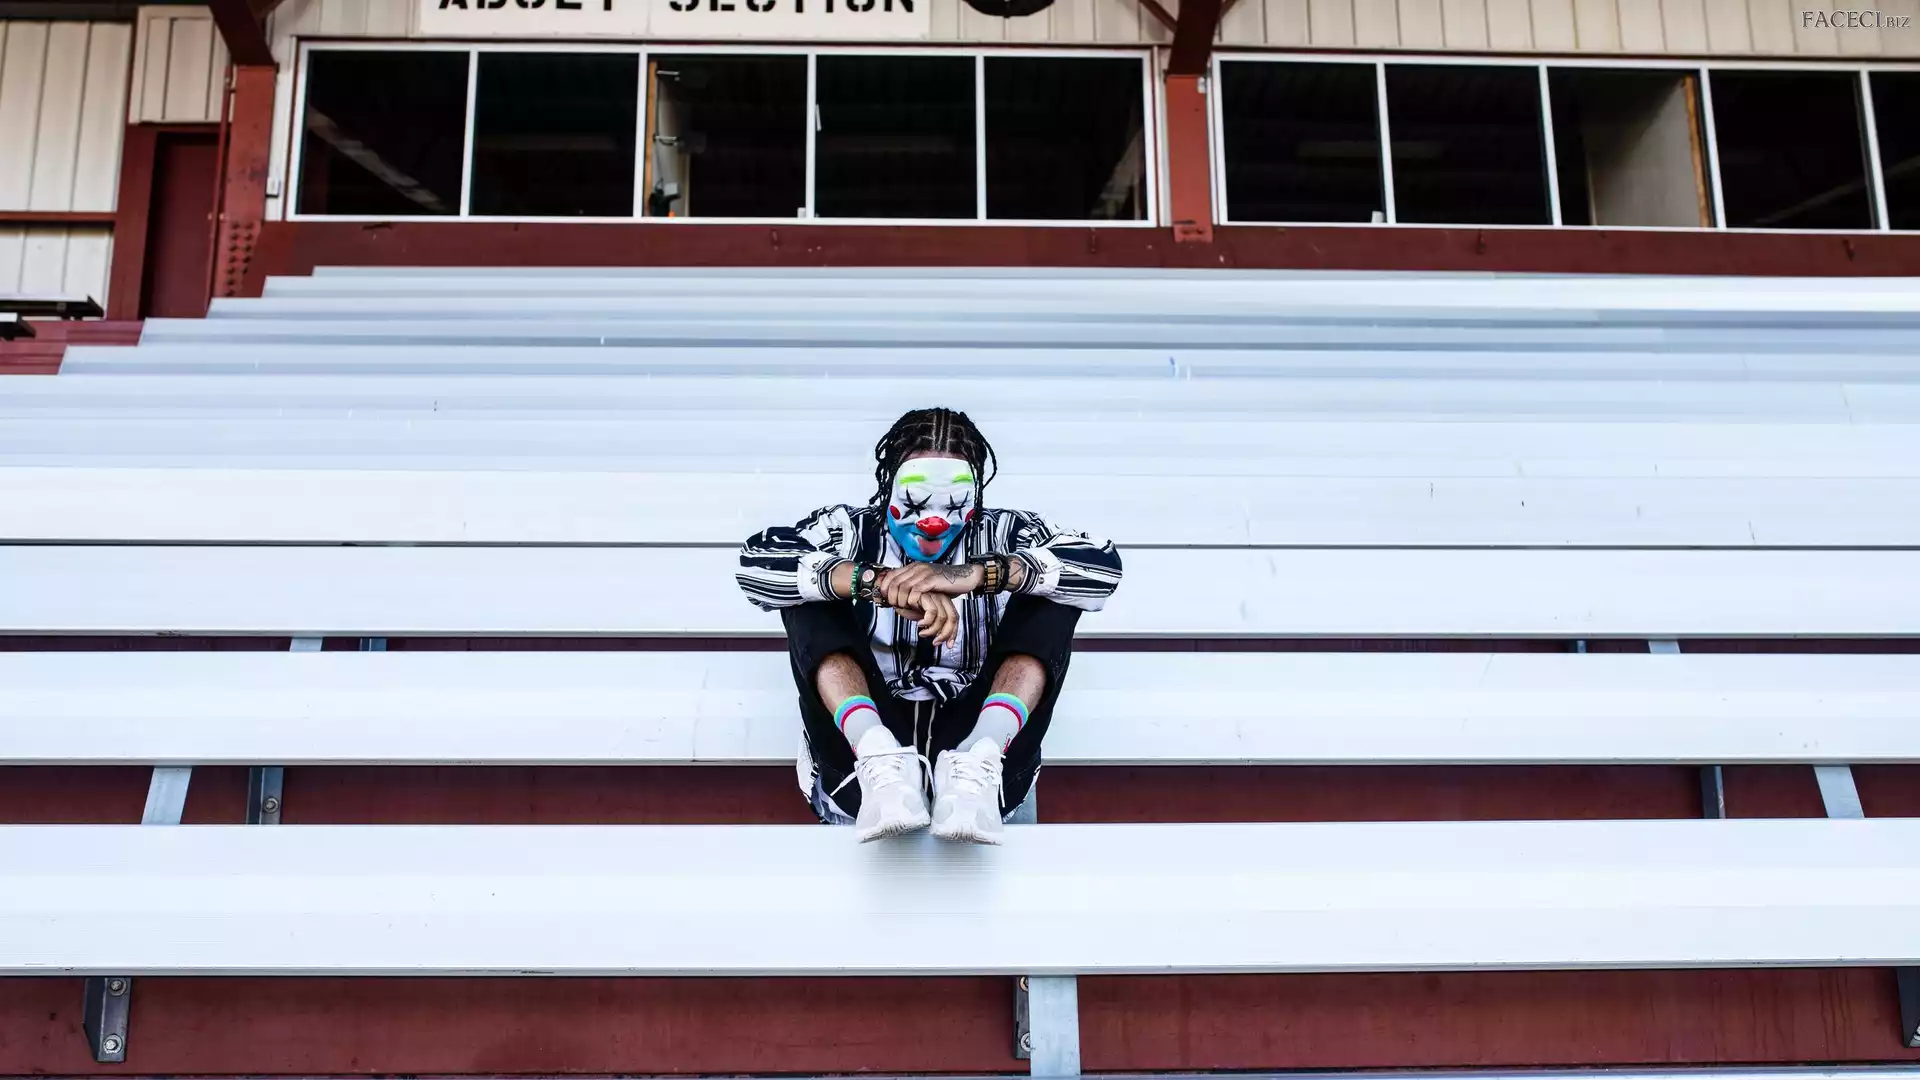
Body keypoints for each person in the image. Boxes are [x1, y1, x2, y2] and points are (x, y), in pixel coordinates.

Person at [736, 407, 1123, 844]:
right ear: (888, 487)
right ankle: (876, 752)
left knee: (1055, 588)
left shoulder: (1007, 532)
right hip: (863, 750)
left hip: (982, 747)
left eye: (954, 504)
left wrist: (977, 574)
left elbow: (1103, 567)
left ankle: (982, 754)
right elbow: (756, 564)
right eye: (916, 502)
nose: (933, 521)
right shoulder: (847, 530)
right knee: (806, 589)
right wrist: (875, 582)